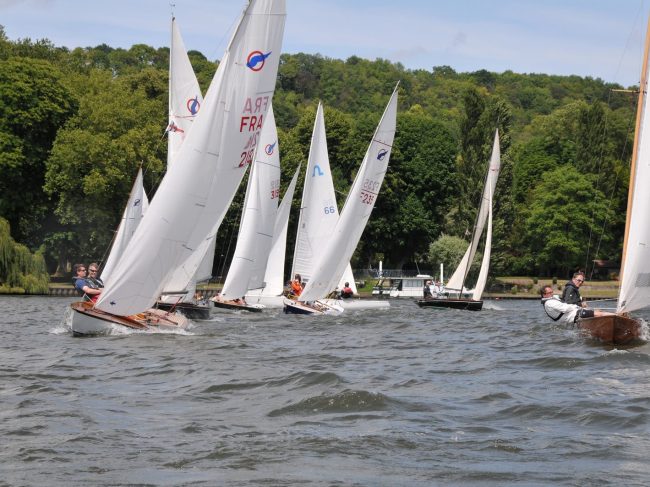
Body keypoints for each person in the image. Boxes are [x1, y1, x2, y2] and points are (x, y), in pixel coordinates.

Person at [541, 285, 611, 324]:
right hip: (574, 316)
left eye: (552, 292)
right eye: (549, 293)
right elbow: (565, 308)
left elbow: (565, 301)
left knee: (599, 311)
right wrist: (576, 306)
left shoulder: (552, 299)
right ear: (544, 295)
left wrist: (579, 301)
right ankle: (615, 317)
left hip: (575, 313)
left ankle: (612, 319)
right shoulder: (549, 303)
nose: (552, 294)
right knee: (599, 314)